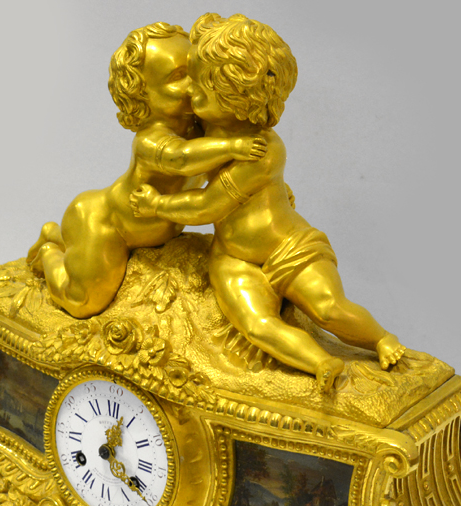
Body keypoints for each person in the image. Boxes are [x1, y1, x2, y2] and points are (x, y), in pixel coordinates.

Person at [129, 14, 405, 392]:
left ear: (237, 97)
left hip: (288, 247)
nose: (191, 91)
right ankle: (320, 363)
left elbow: (207, 207)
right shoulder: (207, 127)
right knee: (256, 325)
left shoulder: (262, 149)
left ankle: (380, 338)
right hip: (234, 257)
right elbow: (176, 154)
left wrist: (156, 206)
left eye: (203, 86)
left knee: (328, 308)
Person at [27, 22, 266, 318]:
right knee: (82, 300)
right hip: (106, 225)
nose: (193, 85)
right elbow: (182, 159)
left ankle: (64, 238)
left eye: (194, 71)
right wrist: (234, 147)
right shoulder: (150, 141)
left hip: (152, 225)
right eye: (178, 77)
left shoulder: (203, 129)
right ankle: (50, 248)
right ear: (142, 94)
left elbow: (231, 175)